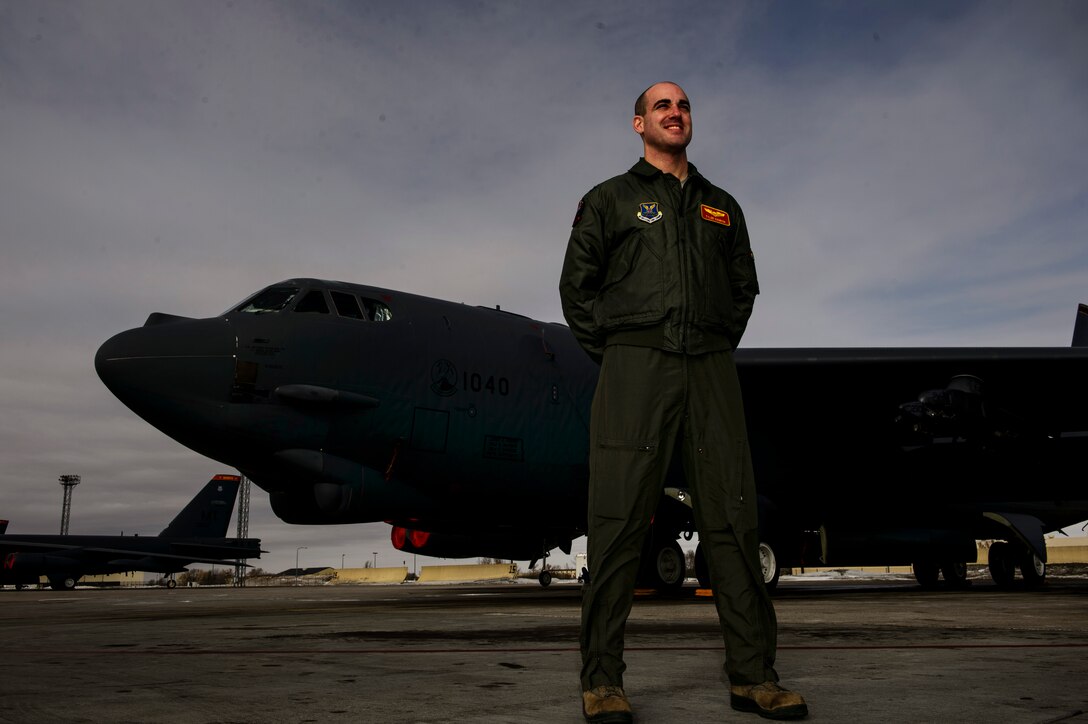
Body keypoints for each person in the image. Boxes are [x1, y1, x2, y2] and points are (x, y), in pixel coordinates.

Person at [559, 82, 808, 722]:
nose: (676, 112)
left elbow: (744, 287)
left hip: (710, 372)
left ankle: (753, 676)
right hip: (635, 371)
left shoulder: (722, 207)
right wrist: (621, 352)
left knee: (733, 518)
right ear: (639, 122)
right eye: (662, 105)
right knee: (616, 523)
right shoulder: (610, 199)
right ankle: (603, 682)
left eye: (685, 104)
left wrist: (714, 341)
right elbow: (576, 290)